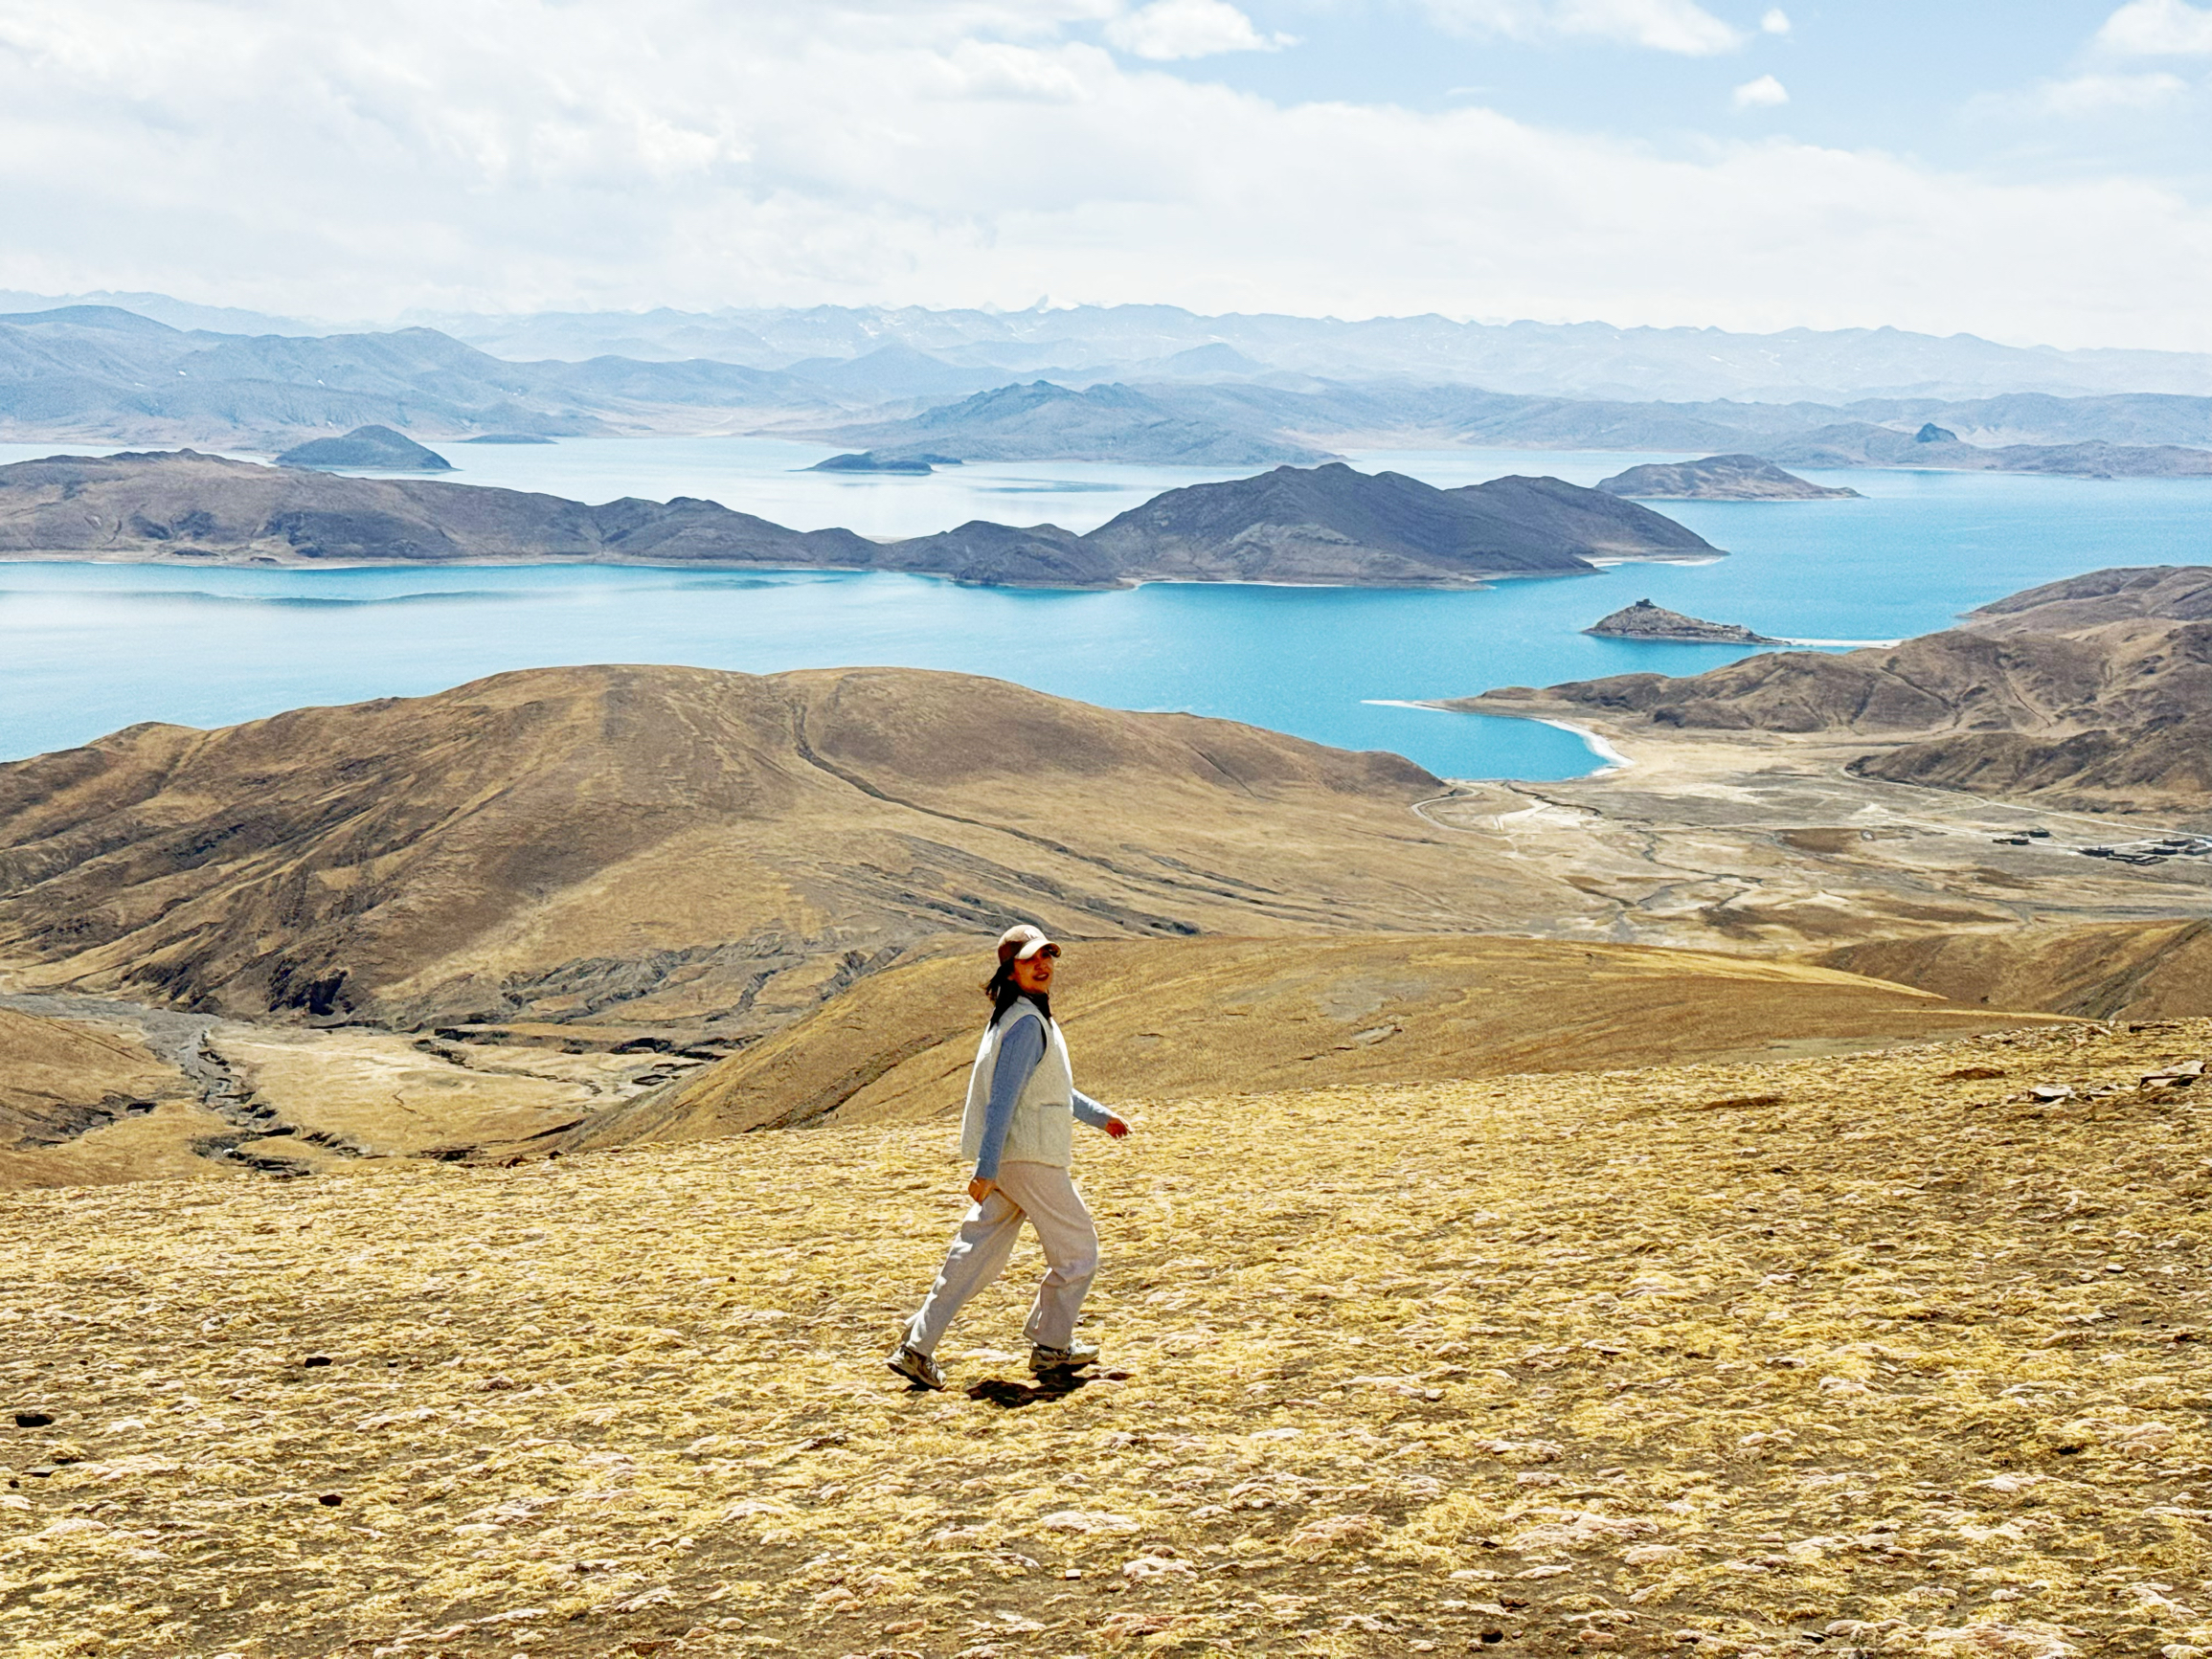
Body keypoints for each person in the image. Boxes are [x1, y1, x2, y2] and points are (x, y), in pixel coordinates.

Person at [889, 924, 1131, 1391]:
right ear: (1010, 970)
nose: (1043, 966)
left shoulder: (1018, 1018)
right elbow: (1003, 1100)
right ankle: (1051, 1345)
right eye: (1030, 960)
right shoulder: (1024, 1024)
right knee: (1079, 1250)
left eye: (1047, 957)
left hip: (1013, 1158)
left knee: (973, 1256)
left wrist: (1100, 1117)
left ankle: (916, 1348)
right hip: (1029, 1157)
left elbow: (1049, 1089)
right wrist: (986, 1168)